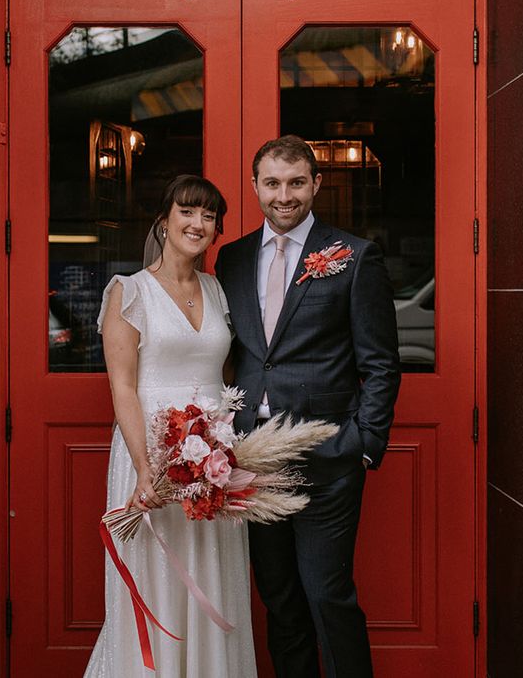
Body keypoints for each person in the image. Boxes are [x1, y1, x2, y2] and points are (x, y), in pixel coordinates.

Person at [215, 135, 401, 678]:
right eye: (272, 183)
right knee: (280, 600)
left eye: (296, 182)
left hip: (326, 456)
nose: (284, 195)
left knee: (327, 596)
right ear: (254, 188)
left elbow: (381, 363)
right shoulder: (231, 258)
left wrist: (362, 444)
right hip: (251, 460)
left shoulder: (353, 256)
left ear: (317, 184)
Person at [84, 175, 257, 678]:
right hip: (152, 453)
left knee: (211, 573)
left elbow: (224, 376)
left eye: (209, 217)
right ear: (164, 221)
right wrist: (144, 469)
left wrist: (220, 446)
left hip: (213, 458)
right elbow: (122, 388)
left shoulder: (216, 289)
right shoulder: (129, 291)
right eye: (188, 212)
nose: (198, 224)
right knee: (159, 577)